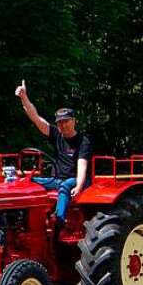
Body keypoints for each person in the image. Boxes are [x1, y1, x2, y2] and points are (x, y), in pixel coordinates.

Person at [15, 80, 92, 222]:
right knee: (27, 180)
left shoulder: (83, 141)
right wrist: (24, 98)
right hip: (57, 179)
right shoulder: (56, 134)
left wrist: (79, 185)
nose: (63, 125)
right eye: (60, 122)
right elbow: (36, 119)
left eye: (66, 121)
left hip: (75, 180)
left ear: (74, 121)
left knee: (64, 186)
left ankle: (59, 219)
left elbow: (82, 166)